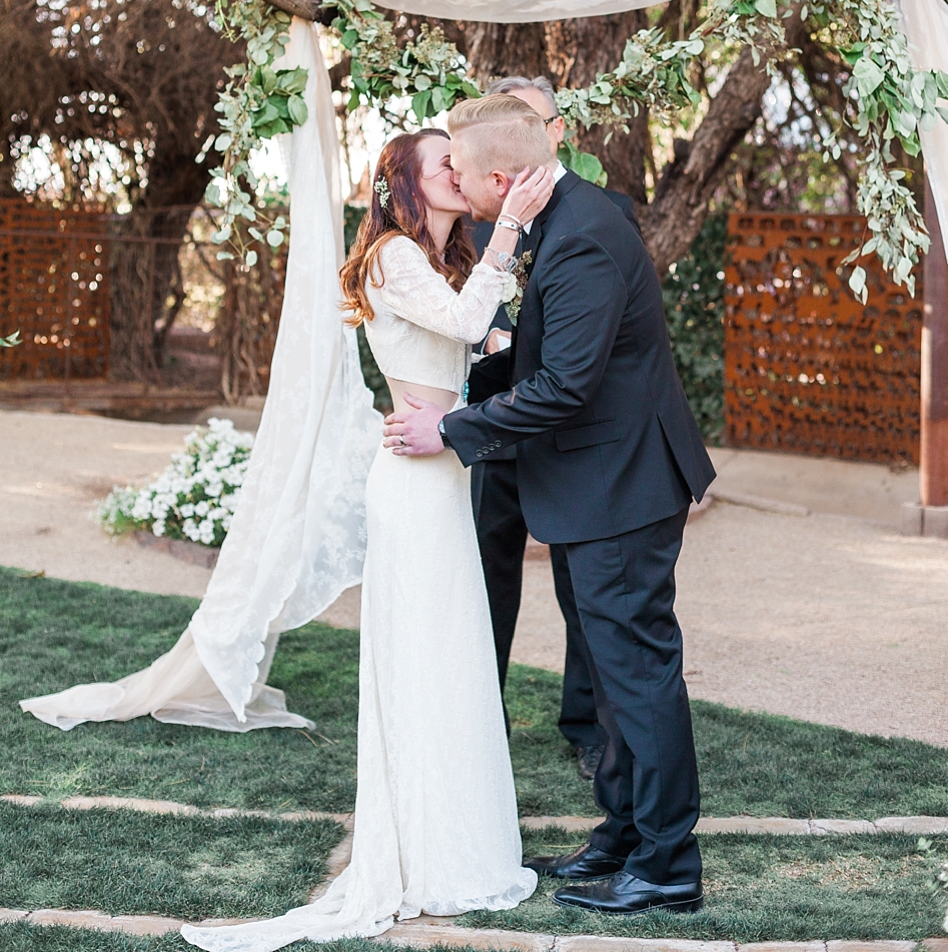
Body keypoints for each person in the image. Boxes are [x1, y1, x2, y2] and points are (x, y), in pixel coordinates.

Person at [182, 128, 552, 951]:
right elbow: (462, 318)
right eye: (442, 166)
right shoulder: (390, 256)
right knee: (425, 657)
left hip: (442, 473)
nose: (458, 173)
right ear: (405, 188)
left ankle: (458, 839)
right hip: (414, 489)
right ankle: (426, 850)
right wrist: (511, 229)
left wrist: (466, 402)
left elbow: (472, 338)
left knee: (452, 654)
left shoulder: (437, 260)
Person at [385, 95, 716, 919]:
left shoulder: (584, 236)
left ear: (500, 176)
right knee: (608, 678)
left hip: (622, 489)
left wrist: (452, 427)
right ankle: (624, 829)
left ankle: (669, 862)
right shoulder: (556, 220)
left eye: (459, 170)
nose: (453, 182)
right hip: (592, 488)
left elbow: (563, 387)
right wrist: (458, 391)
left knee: (636, 677)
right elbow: (540, 356)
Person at [470, 75, 641, 780]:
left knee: (584, 587)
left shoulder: (604, 214)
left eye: (533, 119)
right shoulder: (475, 213)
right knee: (484, 574)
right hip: (496, 428)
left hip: (565, 433)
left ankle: (589, 725)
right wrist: (484, 345)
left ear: (557, 131)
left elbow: (601, 330)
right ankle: (478, 713)